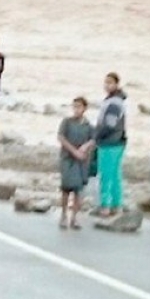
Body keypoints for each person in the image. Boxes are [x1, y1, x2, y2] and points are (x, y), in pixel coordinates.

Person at [58, 96, 96, 229]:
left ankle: (75, 217)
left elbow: (94, 139)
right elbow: (61, 137)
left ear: (84, 109)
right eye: (74, 106)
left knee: (78, 189)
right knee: (66, 188)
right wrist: (74, 151)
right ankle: (63, 215)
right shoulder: (67, 122)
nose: (76, 109)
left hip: (82, 160)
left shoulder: (89, 126)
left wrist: (85, 147)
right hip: (68, 159)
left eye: (79, 107)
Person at [95, 71, 127, 217]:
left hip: (109, 142)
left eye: (110, 82)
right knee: (115, 175)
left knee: (106, 175)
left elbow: (110, 124)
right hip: (118, 142)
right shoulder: (117, 100)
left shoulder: (114, 102)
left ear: (116, 84)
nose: (107, 85)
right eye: (106, 82)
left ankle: (105, 205)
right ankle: (116, 204)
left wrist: (96, 137)